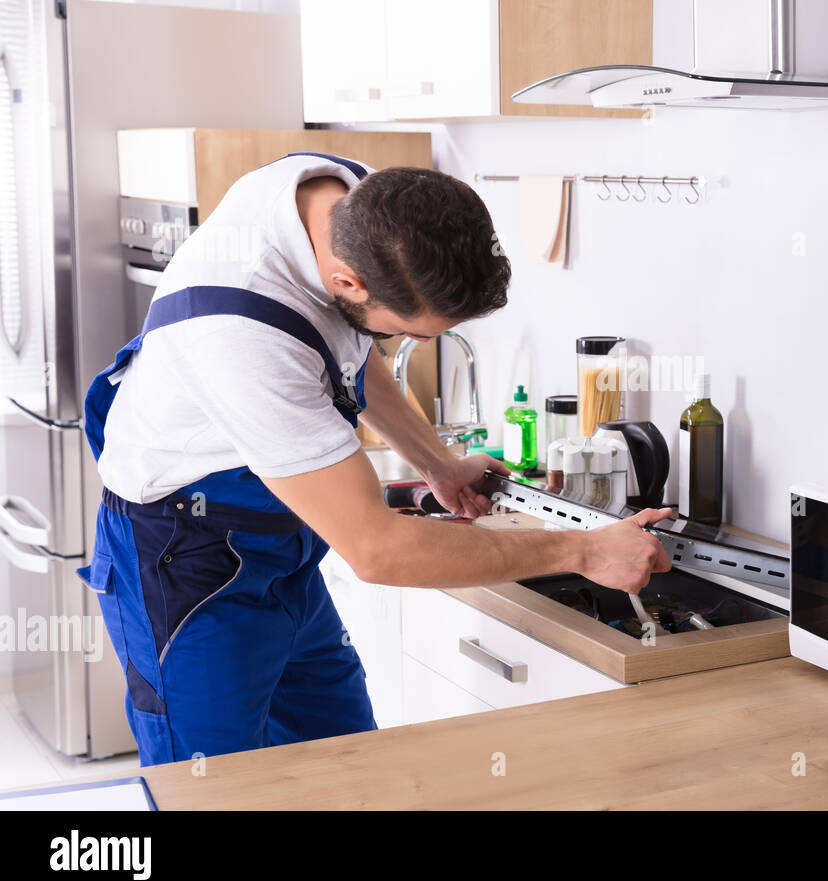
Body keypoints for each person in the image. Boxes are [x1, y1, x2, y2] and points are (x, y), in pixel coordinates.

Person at [79, 153, 671, 766]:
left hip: (285, 551)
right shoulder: (242, 334)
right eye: (407, 334)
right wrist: (586, 550)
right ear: (348, 282)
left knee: (345, 770)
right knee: (213, 788)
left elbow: (349, 352)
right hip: (188, 563)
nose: (415, 347)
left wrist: (438, 463)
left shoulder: (354, 201)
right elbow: (377, 549)